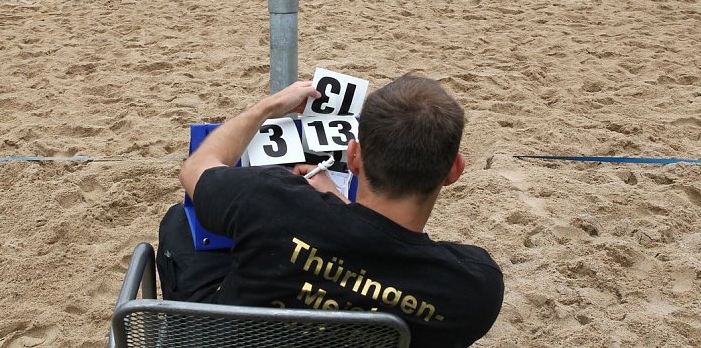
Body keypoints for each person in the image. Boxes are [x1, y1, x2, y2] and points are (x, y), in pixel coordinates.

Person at [157, 74, 504, 347]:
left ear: (353, 157)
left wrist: (265, 107)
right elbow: (373, 259)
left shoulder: (271, 202)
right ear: (454, 171)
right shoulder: (474, 287)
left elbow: (196, 168)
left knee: (180, 222)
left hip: (233, 335)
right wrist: (341, 205)